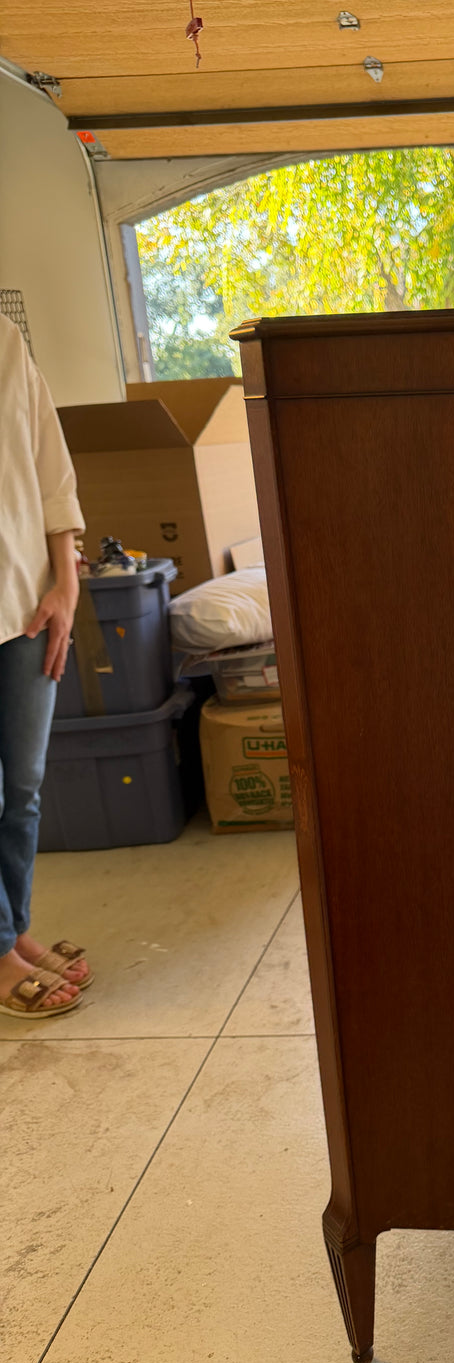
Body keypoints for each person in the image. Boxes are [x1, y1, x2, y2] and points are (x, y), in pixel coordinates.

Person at [0, 313, 94, 1016]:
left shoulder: (4, 339)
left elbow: (49, 462)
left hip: (26, 601)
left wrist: (67, 582)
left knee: (22, 785)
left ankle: (15, 927)